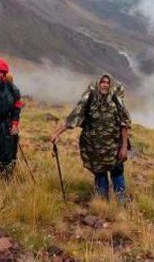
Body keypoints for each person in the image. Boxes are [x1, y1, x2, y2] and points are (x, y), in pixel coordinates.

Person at [51, 74, 131, 202]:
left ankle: (121, 201)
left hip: (114, 146)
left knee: (116, 171)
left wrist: (124, 147)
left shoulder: (116, 100)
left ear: (110, 85)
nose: (105, 84)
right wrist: (56, 134)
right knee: (99, 172)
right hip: (94, 147)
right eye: (102, 82)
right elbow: (73, 118)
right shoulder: (90, 99)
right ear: (98, 84)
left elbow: (124, 124)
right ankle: (101, 202)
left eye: (107, 82)